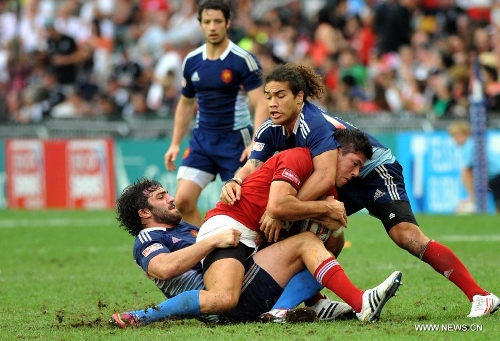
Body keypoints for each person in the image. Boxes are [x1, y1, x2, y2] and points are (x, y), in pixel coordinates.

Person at [221, 63, 499, 318]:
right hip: (337, 178)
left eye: (280, 95)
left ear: (299, 97)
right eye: (268, 96)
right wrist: (234, 181)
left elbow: (326, 175)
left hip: (371, 171)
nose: (272, 103)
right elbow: (252, 166)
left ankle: (480, 295)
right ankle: (313, 301)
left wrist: (280, 210)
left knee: (406, 235)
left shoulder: (313, 125)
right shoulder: (270, 128)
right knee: (311, 233)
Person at [111, 130, 402, 328]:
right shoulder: (149, 237)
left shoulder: (185, 228)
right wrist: (212, 240)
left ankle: (292, 308)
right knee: (296, 248)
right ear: (145, 213)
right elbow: (163, 268)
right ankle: (140, 317)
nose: (171, 197)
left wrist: (333, 227)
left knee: (314, 246)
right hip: (218, 306)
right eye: (161, 197)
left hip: (243, 283)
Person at [163, 0, 268, 227]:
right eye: (207, 21)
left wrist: (256, 142)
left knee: (245, 206)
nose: (213, 27)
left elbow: (261, 103)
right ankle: (205, 252)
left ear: (227, 23)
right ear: (200, 24)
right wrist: (175, 143)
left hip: (236, 142)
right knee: (182, 201)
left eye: (218, 21)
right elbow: (185, 103)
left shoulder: (242, 60)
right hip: (203, 139)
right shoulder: (192, 61)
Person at [448, 119, 500, 214]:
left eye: (457, 135)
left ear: (466, 134)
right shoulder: (475, 143)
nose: (454, 139)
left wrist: (472, 197)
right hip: (494, 177)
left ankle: (473, 201)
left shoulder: (469, 145)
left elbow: (467, 171)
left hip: (497, 176)